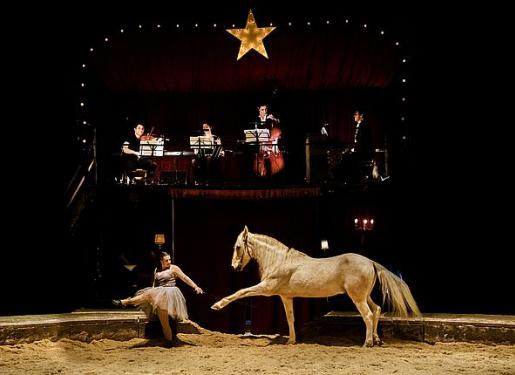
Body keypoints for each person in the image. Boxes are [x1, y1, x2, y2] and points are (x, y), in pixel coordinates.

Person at [112, 251, 204, 347]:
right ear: (161, 261)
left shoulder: (174, 268)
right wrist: (153, 297)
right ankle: (169, 341)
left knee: (146, 295)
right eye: (166, 260)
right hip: (160, 296)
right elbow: (154, 285)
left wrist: (195, 286)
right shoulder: (157, 270)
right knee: (164, 322)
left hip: (170, 294)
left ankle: (125, 302)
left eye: (169, 259)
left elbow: (185, 277)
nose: (169, 261)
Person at [330, 110, 374, 183]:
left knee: (347, 158)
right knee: (346, 156)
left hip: (364, 153)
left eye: (356, 114)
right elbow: (357, 142)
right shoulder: (360, 125)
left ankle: (340, 176)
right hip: (360, 151)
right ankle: (341, 177)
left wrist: (353, 150)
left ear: (361, 115)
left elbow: (363, 142)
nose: (354, 116)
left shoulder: (364, 126)